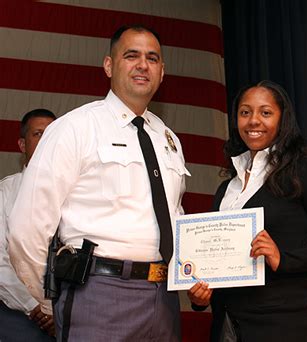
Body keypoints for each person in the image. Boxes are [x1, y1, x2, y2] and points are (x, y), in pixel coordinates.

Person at [8, 25, 189, 341]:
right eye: (131, 56)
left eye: (152, 58)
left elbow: (175, 214)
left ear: (162, 72)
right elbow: (27, 230)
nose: (142, 65)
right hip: (98, 294)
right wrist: (51, 298)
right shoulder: (74, 129)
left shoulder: (168, 138)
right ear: (109, 65)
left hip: (163, 296)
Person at [188, 80, 307, 342]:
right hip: (228, 327)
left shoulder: (303, 169)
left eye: (265, 112)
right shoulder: (228, 187)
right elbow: (217, 264)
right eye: (245, 112)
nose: (253, 121)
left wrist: (284, 259)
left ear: (283, 120)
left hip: (283, 327)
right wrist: (200, 296)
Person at [0, 109, 56, 341]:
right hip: (19, 319)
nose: (46, 141)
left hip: (71, 318)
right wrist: (36, 306)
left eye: (52, 134)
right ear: (22, 145)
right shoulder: (5, 192)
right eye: (38, 134)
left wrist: (58, 310)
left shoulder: (80, 195)